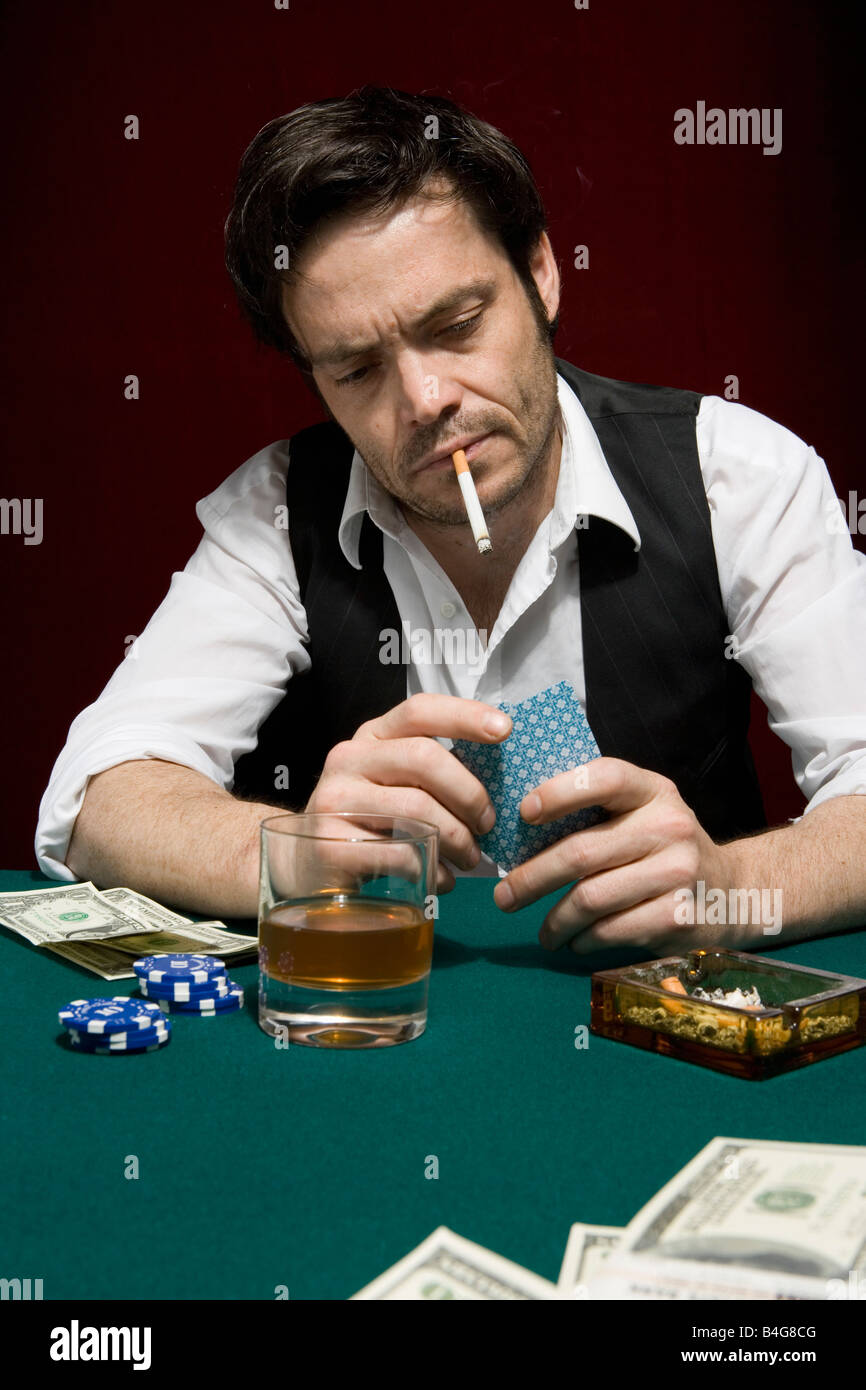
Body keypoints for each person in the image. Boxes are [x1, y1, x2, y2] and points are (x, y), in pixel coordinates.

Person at [36, 85, 866, 955]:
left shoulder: (735, 476)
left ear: (540, 274)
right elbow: (97, 805)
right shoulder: (278, 514)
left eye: (458, 325)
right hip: (374, 1043)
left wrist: (731, 888)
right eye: (357, 370)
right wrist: (288, 854)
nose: (426, 401)